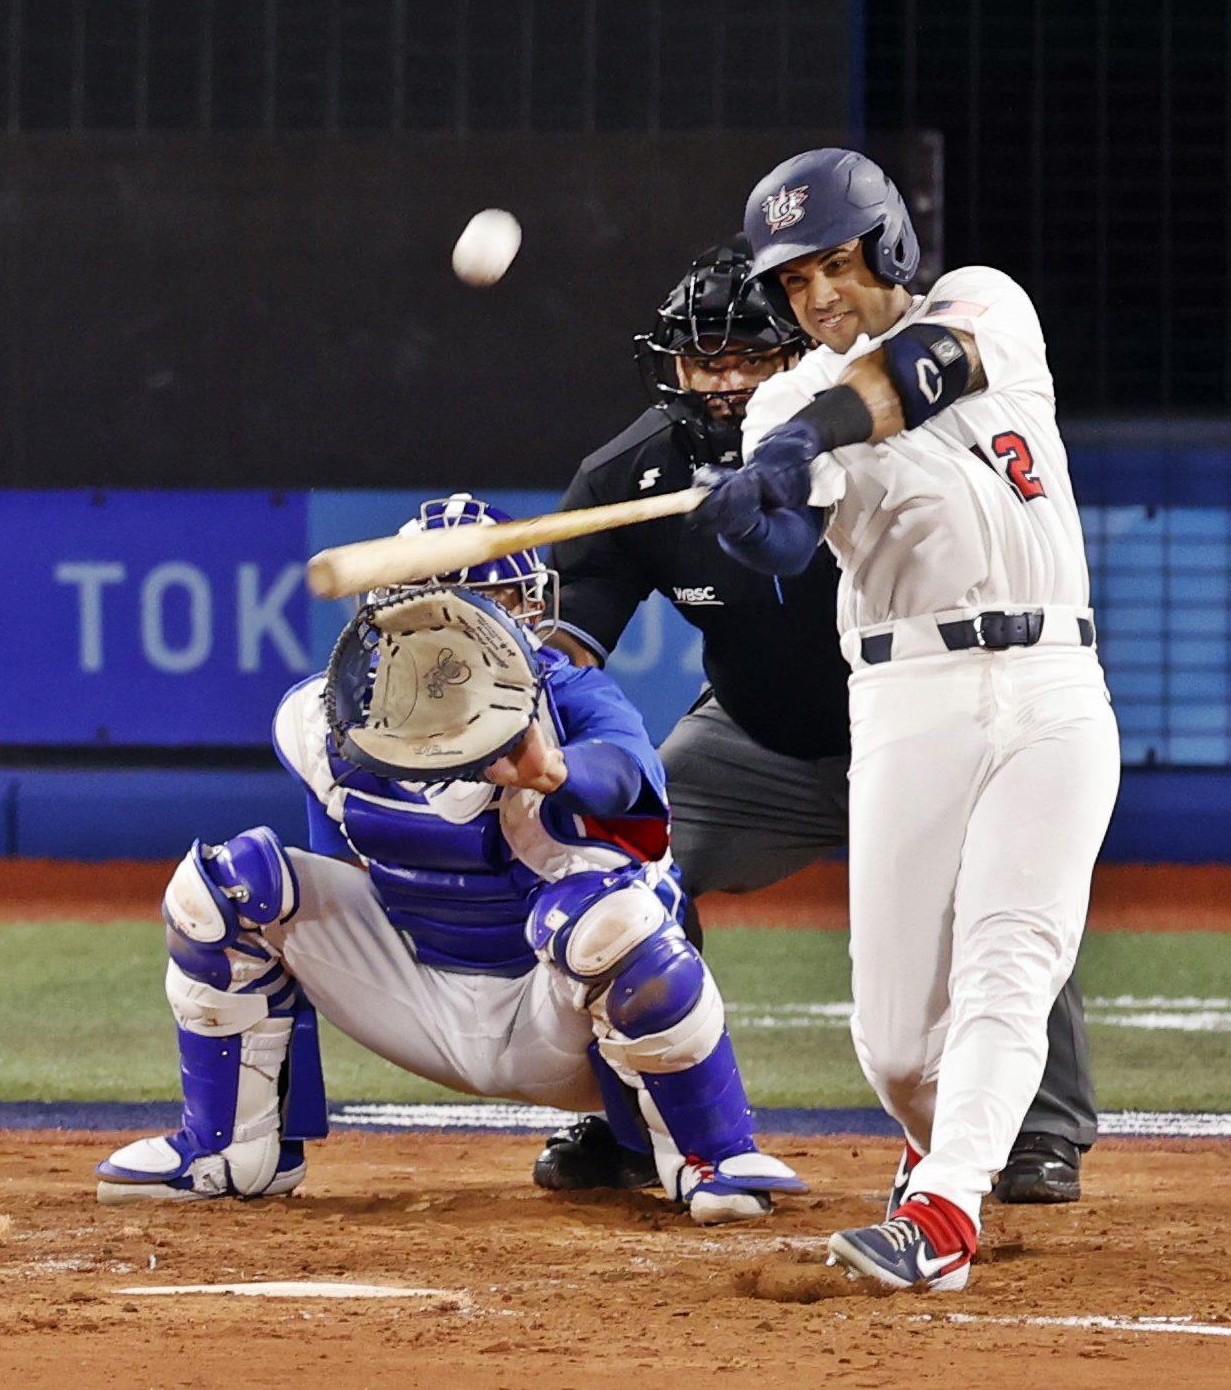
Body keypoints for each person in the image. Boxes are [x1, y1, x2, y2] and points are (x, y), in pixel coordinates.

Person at [533, 237, 1102, 1208]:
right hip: (756, 740)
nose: (723, 379)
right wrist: (507, 687)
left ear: (796, 349)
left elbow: (814, 523)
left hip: (923, 720)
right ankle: (642, 1111)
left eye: (747, 355)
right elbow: (570, 650)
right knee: (621, 860)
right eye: (700, 358)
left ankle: (1036, 1129)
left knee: (1006, 889)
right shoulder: (629, 476)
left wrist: (776, 483)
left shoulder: (860, 416)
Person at [95, 495, 805, 1226]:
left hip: (559, 1020)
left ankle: (712, 1157)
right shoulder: (323, 717)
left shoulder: (568, 697)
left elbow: (625, 778)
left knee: (608, 922)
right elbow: (340, 870)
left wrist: (551, 770)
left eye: (499, 602)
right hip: (418, 997)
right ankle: (228, 1150)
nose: (485, 626)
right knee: (224, 888)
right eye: (464, 604)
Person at [694, 149, 1121, 1289]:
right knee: (892, 1042)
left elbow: (923, 370)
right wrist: (757, 520)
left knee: (1011, 955)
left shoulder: (984, 304)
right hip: (908, 694)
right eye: (794, 280)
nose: (819, 295)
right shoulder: (781, 400)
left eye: (835, 263)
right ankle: (941, 1151)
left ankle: (943, 1211)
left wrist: (810, 434)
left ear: (887, 246)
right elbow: (793, 539)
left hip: (1053, 684)